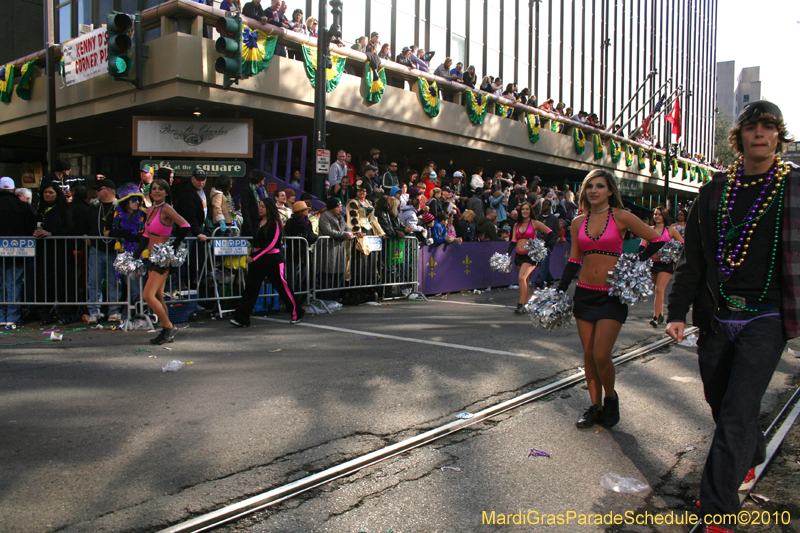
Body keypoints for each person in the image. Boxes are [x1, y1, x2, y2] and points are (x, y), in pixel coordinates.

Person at [665, 101, 797, 532]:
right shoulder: (715, 191)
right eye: (751, 127)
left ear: (778, 135)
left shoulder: (793, 186)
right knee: (720, 402)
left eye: (768, 127)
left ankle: (717, 510)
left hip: (769, 314)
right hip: (718, 313)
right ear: (738, 136)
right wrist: (678, 310)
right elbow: (694, 258)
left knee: (739, 409)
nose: (759, 134)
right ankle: (750, 453)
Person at [557, 169, 661, 429]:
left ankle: (611, 398)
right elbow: (573, 258)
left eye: (600, 186)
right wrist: (560, 288)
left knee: (601, 354)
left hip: (611, 296)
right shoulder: (577, 222)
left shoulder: (622, 216)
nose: (594, 190)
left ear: (610, 191)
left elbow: (658, 239)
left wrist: (635, 263)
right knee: (588, 355)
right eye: (589, 186)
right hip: (584, 293)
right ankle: (595, 406)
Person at [133, 179, 192, 345]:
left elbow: (185, 225)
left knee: (147, 295)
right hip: (152, 256)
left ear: (166, 192)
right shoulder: (151, 209)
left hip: (162, 258)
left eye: (160, 189)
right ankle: (166, 329)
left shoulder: (167, 209)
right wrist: (136, 254)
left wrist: (174, 245)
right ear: (150, 193)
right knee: (158, 295)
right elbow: (146, 234)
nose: (156, 192)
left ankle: (168, 327)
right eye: (153, 189)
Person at [33, 183, 74, 325]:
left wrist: (51, 233)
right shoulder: (41, 209)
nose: (47, 195)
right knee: (46, 283)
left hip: (61, 252)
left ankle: (65, 313)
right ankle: (46, 313)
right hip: (45, 253)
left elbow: (70, 228)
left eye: (50, 192)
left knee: (63, 283)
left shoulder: (64, 209)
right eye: (45, 192)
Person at [507, 202, 556, 313]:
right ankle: (526, 303)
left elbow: (551, 233)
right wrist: (507, 254)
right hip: (519, 255)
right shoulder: (516, 225)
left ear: (530, 211)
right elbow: (513, 241)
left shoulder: (535, 223)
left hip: (531, 256)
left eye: (527, 209)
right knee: (525, 279)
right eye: (523, 209)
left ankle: (520, 304)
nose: (525, 211)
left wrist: (542, 246)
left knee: (521, 277)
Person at [0, 177, 36, 329]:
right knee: (13, 284)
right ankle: (12, 317)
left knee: (1, 285)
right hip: (18, 250)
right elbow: (30, 228)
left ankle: (1, 316)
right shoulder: (23, 207)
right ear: (13, 190)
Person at [640, 206, 683, 326]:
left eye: (659, 214)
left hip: (666, 264)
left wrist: (671, 252)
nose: (657, 216)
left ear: (664, 216)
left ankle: (656, 316)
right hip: (652, 263)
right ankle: (661, 314)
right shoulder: (649, 229)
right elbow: (643, 243)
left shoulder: (670, 230)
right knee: (656, 290)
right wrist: (641, 253)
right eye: (655, 214)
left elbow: (682, 243)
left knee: (660, 289)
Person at [109, 183, 147, 319]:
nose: (137, 202)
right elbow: (111, 231)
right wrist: (121, 234)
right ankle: (128, 316)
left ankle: (131, 316)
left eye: (139, 199)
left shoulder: (143, 214)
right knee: (132, 289)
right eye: (133, 199)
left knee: (138, 289)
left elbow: (144, 234)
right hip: (125, 255)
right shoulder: (117, 214)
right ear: (126, 201)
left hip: (140, 255)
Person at [317, 197, 354, 299]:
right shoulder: (325, 216)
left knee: (339, 273)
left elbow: (346, 227)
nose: (340, 207)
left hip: (340, 248)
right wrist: (344, 234)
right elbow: (328, 230)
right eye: (339, 205)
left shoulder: (340, 217)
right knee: (328, 273)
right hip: (329, 249)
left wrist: (349, 233)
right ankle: (326, 298)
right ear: (333, 207)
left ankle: (335, 297)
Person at [240, 170, 266, 238]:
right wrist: (249, 227)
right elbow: (245, 209)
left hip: (263, 223)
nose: (264, 179)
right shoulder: (247, 190)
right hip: (252, 223)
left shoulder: (263, 190)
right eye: (262, 177)